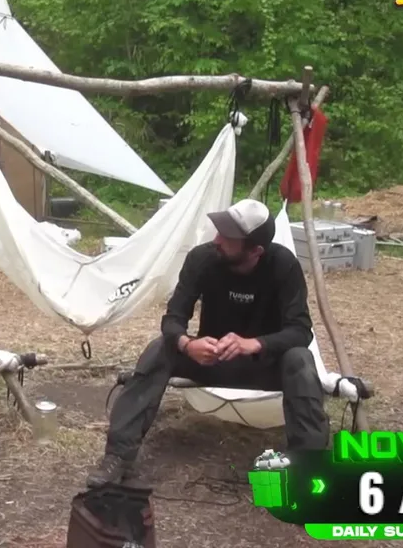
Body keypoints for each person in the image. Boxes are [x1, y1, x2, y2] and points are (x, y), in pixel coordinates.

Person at [87, 198, 330, 487]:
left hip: (263, 365)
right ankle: (118, 457)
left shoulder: (283, 265)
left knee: (300, 359)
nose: (217, 240)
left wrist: (255, 344)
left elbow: (300, 330)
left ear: (256, 251)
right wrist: (187, 345)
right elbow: (173, 319)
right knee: (159, 349)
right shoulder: (202, 258)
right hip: (210, 361)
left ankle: (306, 470)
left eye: (228, 237)